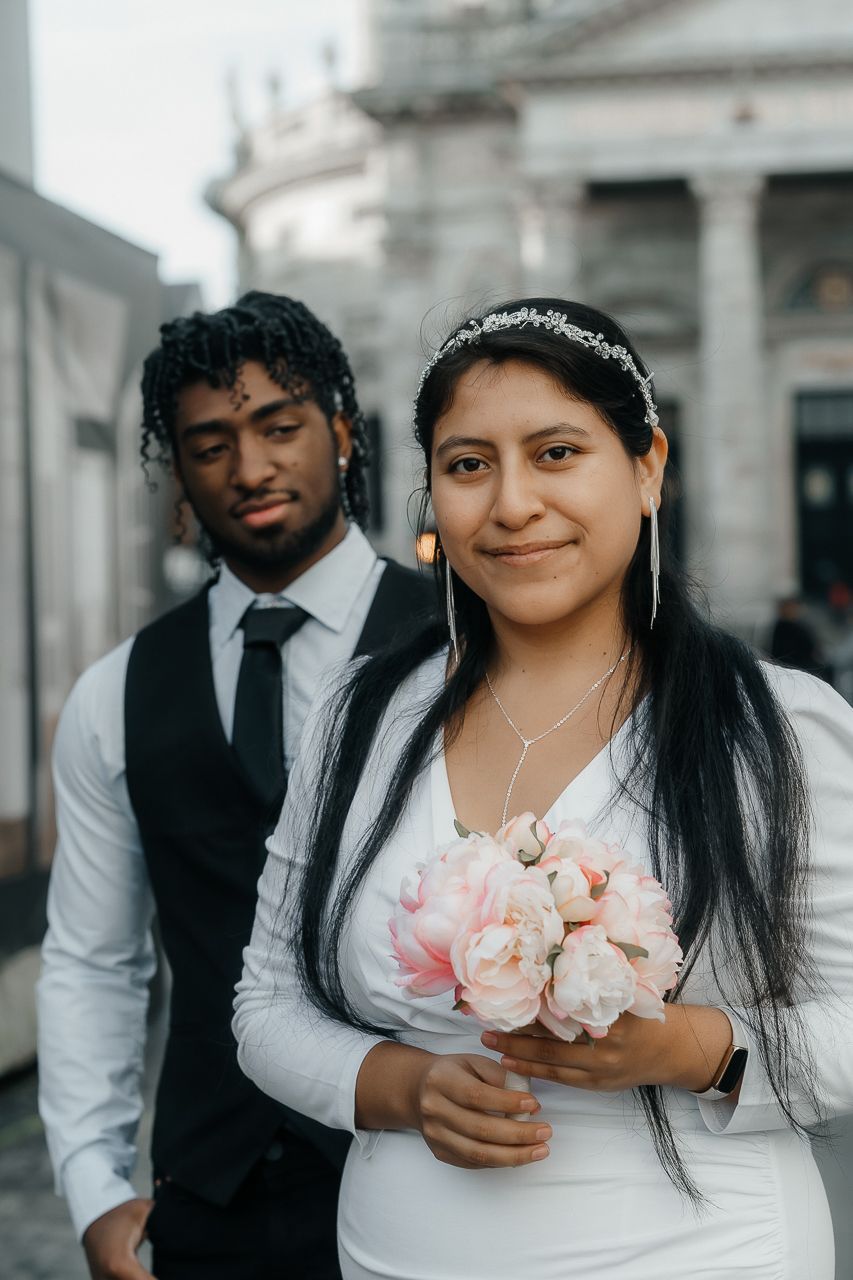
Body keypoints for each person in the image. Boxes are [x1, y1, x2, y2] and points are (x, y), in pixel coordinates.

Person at [234, 298, 853, 1280]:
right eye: (468, 464)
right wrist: (400, 1083)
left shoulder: (775, 724)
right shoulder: (363, 713)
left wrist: (690, 1046)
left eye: (557, 451)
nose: (511, 503)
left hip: (706, 1250)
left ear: (647, 466)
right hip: (403, 1252)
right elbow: (266, 1003)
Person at [37, 292, 432, 1280]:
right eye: (209, 443)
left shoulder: (465, 640)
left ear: (341, 432)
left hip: (437, 1179)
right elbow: (93, 958)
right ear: (178, 473)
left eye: (278, 426)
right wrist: (92, 1184)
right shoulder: (114, 693)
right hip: (214, 1205)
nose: (249, 468)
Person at [770, 596, 823, 676]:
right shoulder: (781, 628)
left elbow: (815, 650)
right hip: (789, 669)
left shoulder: (802, 627)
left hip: (801, 669)